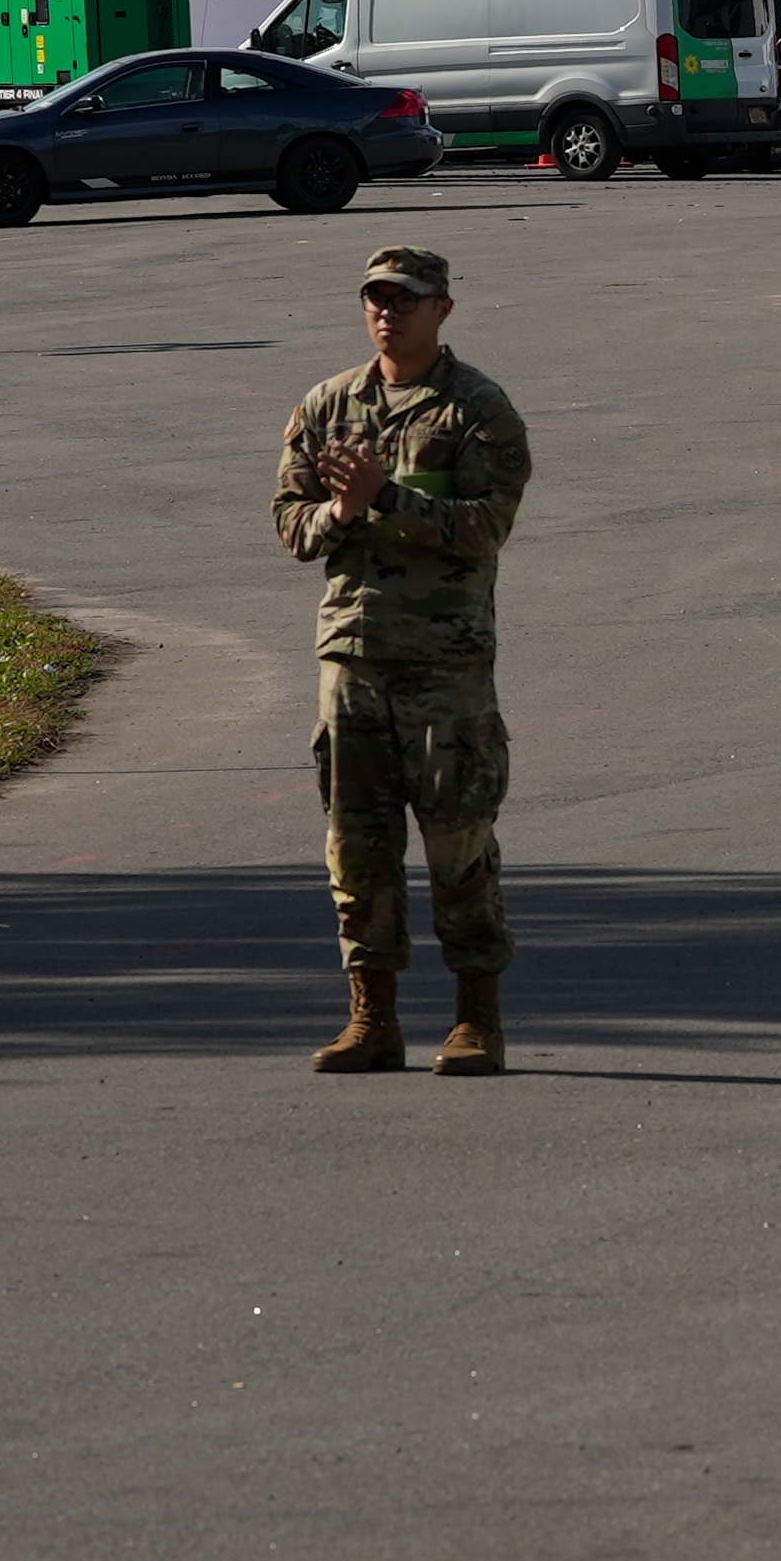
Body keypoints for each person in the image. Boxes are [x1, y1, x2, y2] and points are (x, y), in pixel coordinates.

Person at [272, 245, 536, 1074]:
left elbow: (486, 526)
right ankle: (372, 1018)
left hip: (444, 663)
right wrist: (341, 513)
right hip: (352, 657)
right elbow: (292, 525)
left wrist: (387, 498)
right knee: (357, 848)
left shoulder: (477, 410)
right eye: (376, 299)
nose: (388, 313)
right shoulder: (328, 405)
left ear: (442, 309)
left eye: (406, 299)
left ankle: (477, 1019)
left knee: (459, 845)